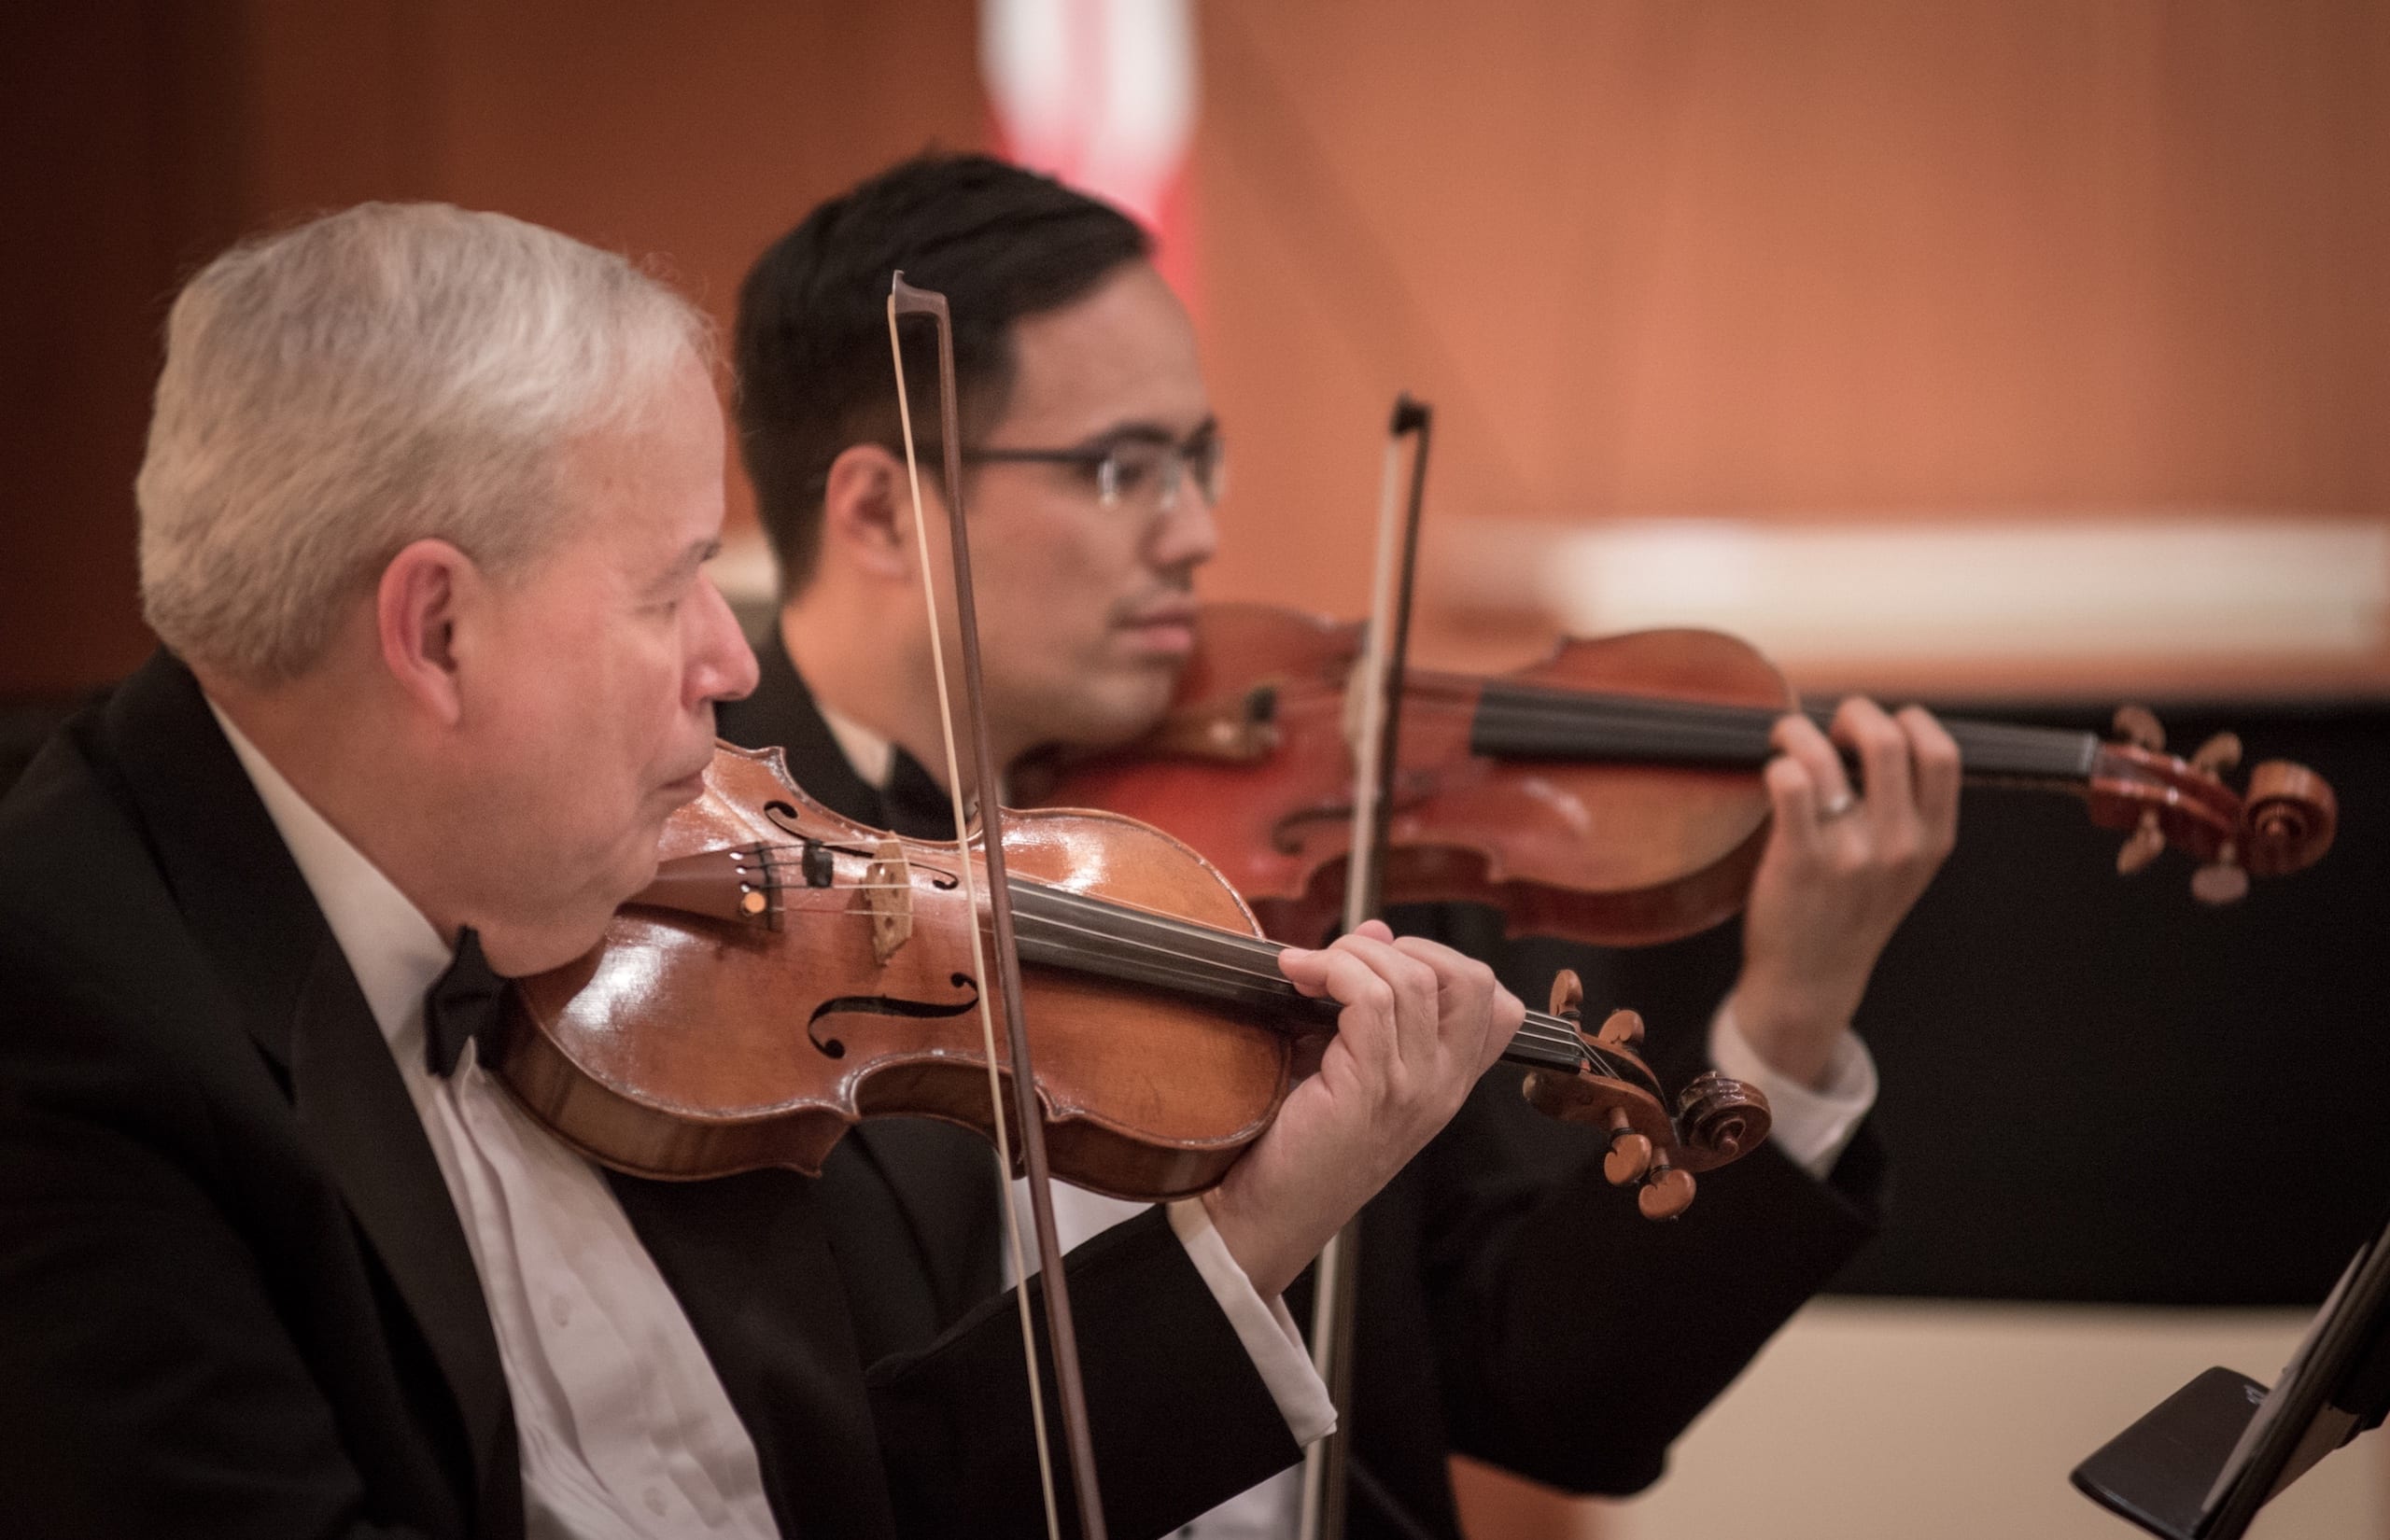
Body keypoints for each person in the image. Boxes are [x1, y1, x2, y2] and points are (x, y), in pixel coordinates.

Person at [0, 201, 1526, 1539]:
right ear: (438, 634)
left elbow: (866, 1496)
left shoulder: (595, 933)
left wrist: (1256, 1225)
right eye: (674, 589)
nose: (735, 662)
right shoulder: (70, 1027)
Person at [724, 154, 1962, 1540]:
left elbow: (1560, 1394)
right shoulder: (706, 905)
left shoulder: (1298, 858)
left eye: (1200, 461)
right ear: (883, 512)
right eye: (1124, 467)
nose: (1197, 533)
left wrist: (1793, 1009)